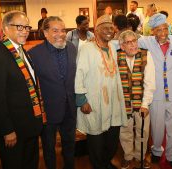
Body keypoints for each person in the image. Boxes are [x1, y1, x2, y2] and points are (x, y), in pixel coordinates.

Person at [0, 10, 45, 169]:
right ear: (4, 28)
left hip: (28, 125)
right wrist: (7, 130)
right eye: (19, 27)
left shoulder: (21, 50)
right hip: (13, 130)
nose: (25, 31)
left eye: (27, 27)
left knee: (30, 164)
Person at [75, 15, 127, 169]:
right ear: (96, 30)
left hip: (113, 102)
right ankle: (99, 165)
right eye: (104, 27)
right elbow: (79, 75)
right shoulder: (86, 49)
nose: (109, 31)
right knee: (96, 140)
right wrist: (81, 100)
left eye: (111, 27)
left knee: (111, 141)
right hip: (94, 102)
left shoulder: (112, 47)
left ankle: (106, 163)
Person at [28, 16, 77, 169]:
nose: (61, 34)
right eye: (55, 30)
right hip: (47, 111)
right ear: (45, 32)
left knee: (69, 145)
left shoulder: (71, 47)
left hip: (70, 107)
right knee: (49, 148)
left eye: (63, 30)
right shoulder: (33, 54)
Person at [137, 13, 172, 169]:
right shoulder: (147, 42)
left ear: (169, 28)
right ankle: (156, 151)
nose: (163, 33)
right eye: (159, 30)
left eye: (165, 29)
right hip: (156, 94)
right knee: (157, 127)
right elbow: (125, 40)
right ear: (153, 32)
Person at [118, 30, 155, 169]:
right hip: (124, 102)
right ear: (122, 46)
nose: (133, 45)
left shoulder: (146, 55)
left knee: (143, 131)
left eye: (135, 41)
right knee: (125, 131)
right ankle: (128, 156)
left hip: (142, 101)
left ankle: (140, 156)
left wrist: (145, 104)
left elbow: (150, 81)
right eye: (129, 42)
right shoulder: (116, 56)